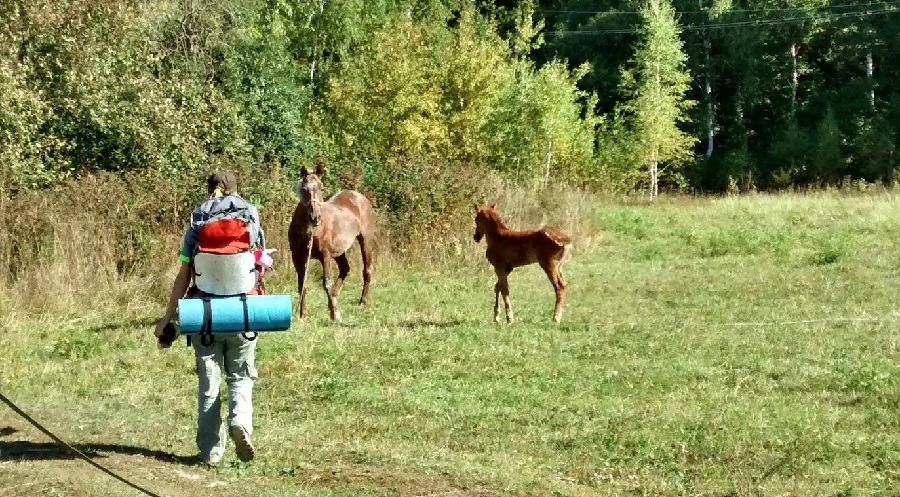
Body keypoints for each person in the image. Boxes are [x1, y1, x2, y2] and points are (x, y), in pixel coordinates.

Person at [154, 171, 265, 465]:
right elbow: (260, 263)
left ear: (209, 190)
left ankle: (210, 452)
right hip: (244, 313)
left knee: (209, 382)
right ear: (236, 190)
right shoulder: (250, 215)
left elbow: (184, 274)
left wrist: (168, 319)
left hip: (204, 316)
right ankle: (239, 420)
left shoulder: (197, 221)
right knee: (241, 375)